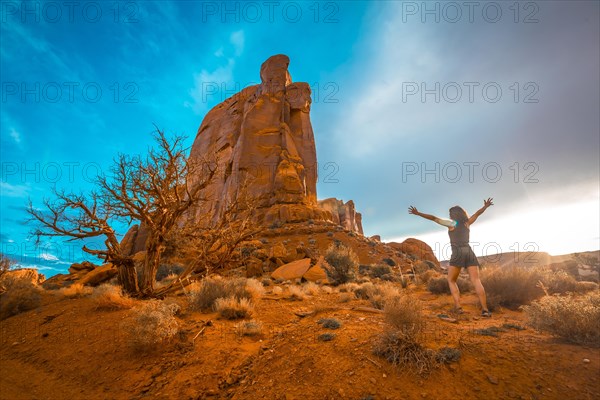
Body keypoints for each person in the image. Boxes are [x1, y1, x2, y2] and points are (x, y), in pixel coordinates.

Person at [408, 198, 494, 317]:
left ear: (453, 215)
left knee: (451, 280)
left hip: (457, 252)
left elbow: (434, 218)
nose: (449, 216)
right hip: (469, 251)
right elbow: (477, 213)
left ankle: (458, 307)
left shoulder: (452, 224)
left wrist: (418, 213)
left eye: (450, 214)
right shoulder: (467, 223)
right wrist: (485, 206)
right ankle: (485, 310)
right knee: (476, 280)